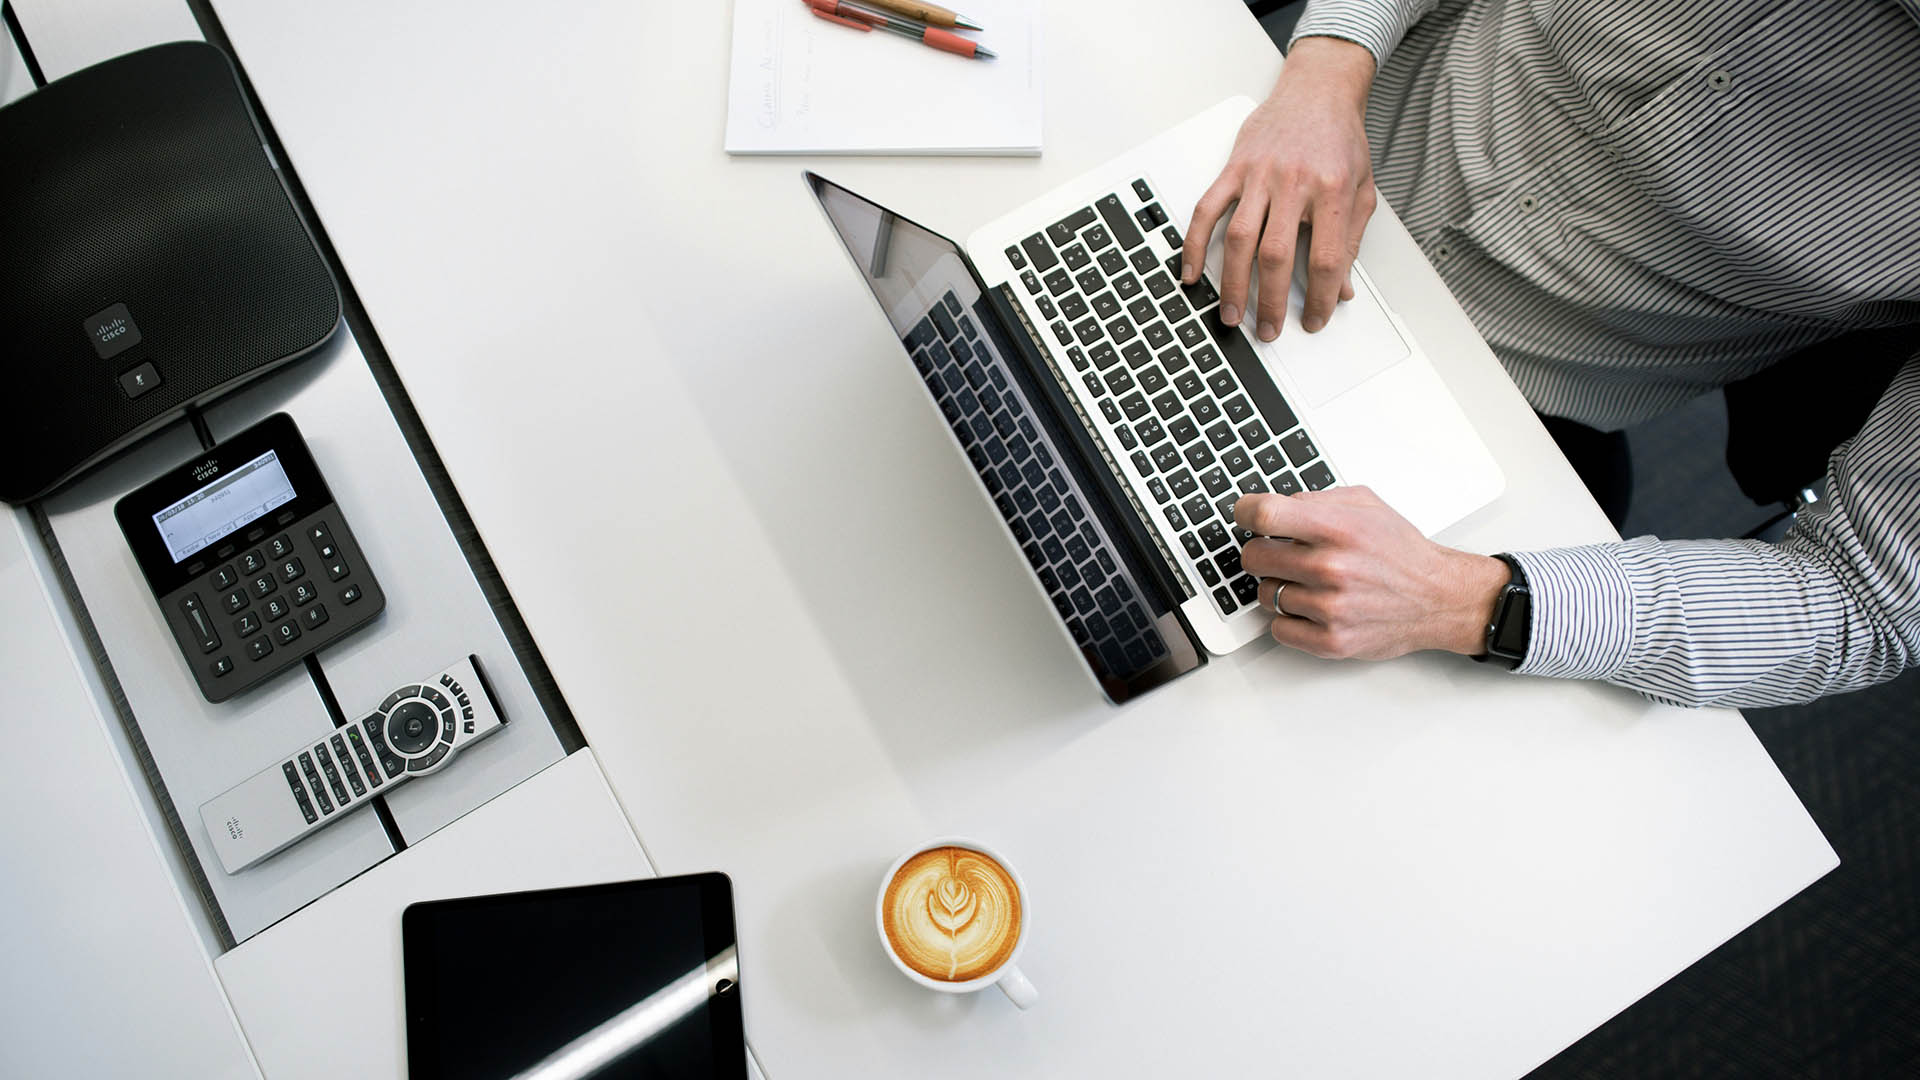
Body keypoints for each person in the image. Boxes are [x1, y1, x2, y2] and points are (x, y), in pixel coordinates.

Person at [1191, 0, 1920, 708]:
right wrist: (1328, 69)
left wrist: (1462, 600)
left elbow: (1865, 600)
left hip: (1507, 404)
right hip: (1311, 136)